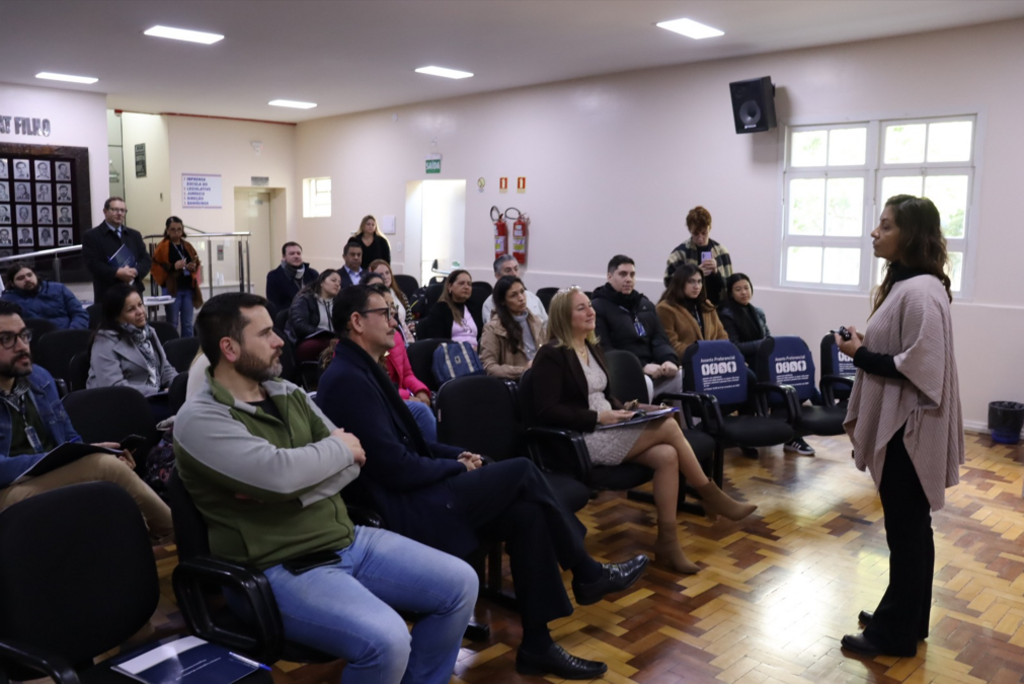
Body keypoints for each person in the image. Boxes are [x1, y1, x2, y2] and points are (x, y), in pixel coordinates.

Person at [316, 284, 649, 680]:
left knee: (527, 513)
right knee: (523, 471)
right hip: (403, 508)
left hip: (419, 490)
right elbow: (395, 468)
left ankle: (537, 645)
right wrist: (458, 468)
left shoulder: (366, 368)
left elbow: (416, 446)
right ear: (356, 322)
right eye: (385, 314)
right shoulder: (348, 378)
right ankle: (587, 571)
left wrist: (456, 455)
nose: (395, 322)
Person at [174, 292, 477, 683]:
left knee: (460, 584)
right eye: (265, 333)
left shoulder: (290, 393)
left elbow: (354, 460)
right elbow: (283, 474)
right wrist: (309, 466)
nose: (280, 340)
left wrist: (290, 485)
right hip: (279, 566)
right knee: (387, 639)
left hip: (344, 538)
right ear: (229, 348)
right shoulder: (199, 419)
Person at [533, 287, 758, 574]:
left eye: (590, 305)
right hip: (582, 438)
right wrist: (598, 418)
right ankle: (709, 493)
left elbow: (601, 394)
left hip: (606, 426)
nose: (591, 311)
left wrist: (630, 407)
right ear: (564, 315)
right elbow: (547, 411)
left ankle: (667, 544)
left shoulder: (591, 346)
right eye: (581, 308)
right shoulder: (552, 354)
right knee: (667, 426)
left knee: (666, 455)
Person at [836, 195, 964, 659]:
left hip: (909, 428)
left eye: (886, 226)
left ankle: (894, 634)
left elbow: (919, 367)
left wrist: (859, 355)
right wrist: (869, 342)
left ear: (910, 235)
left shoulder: (920, 290)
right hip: (908, 423)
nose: (875, 232)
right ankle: (907, 615)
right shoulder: (913, 286)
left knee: (907, 532)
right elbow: (910, 349)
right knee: (911, 530)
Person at [0, 300, 172, 539]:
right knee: (106, 470)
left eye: (23, 335)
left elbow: (69, 438)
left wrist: (89, 452)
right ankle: (178, 534)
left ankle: (150, 559)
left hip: (48, 476)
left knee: (114, 488)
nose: (21, 346)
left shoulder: (39, 379)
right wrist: (73, 462)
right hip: (7, 492)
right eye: (7, 339)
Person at [592, 255, 680, 400]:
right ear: (609, 276)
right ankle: (648, 423)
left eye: (632, 274)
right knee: (645, 383)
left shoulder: (645, 305)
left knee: (680, 376)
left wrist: (669, 359)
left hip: (653, 370)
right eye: (623, 274)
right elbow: (604, 349)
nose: (629, 279)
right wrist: (641, 367)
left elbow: (660, 339)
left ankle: (685, 423)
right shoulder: (598, 307)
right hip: (622, 374)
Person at [87, 285, 178, 421]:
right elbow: (114, 388)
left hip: (155, 398)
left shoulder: (148, 332)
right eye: (131, 309)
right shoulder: (104, 341)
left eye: (140, 305)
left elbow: (165, 369)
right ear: (117, 317)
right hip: (122, 405)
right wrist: (158, 393)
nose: (140, 311)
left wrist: (180, 385)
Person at [81, 197, 152, 302]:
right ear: (105, 211)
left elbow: (146, 259)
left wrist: (135, 271)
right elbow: (92, 263)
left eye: (123, 210)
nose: (119, 213)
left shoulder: (134, 235)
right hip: (107, 292)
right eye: (115, 210)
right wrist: (116, 272)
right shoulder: (92, 236)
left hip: (133, 291)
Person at [663, 206, 733, 306]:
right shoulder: (679, 254)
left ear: (710, 228)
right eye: (695, 234)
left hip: (717, 309)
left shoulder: (722, 252)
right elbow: (669, 284)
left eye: (704, 233)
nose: (700, 238)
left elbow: (730, 288)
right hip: (688, 308)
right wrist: (693, 274)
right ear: (690, 231)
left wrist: (715, 273)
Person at [656, 264, 728, 358]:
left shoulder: (707, 305)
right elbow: (670, 345)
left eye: (699, 281)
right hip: (685, 363)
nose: (696, 286)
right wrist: (703, 353)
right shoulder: (665, 308)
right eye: (691, 281)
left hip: (713, 362)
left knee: (746, 372)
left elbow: (722, 337)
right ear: (680, 283)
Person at [479, 275, 544, 380]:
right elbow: (488, 367)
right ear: (502, 301)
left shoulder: (536, 321)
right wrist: (523, 370)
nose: (521, 298)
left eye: (522, 292)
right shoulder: (492, 328)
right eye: (514, 295)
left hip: (540, 377)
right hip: (517, 383)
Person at [151, 216, 203, 337]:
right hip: (172, 289)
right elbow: (155, 265)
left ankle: (188, 350)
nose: (176, 232)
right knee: (173, 323)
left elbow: (196, 261)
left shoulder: (187, 246)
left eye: (179, 229)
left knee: (188, 323)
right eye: (173, 229)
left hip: (188, 289)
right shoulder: (162, 247)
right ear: (167, 231)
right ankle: (172, 349)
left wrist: (192, 266)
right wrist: (173, 266)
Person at [1, 263, 89, 330]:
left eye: (29, 275)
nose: (27, 279)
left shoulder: (58, 289)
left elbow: (79, 313)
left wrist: (72, 332)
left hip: (68, 335)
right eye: (21, 278)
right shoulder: (8, 301)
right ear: (12, 283)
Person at [286, 269, 342, 362]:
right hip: (307, 340)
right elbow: (300, 326)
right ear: (321, 282)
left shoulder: (338, 303)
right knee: (337, 346)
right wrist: (324, 334)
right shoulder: (305, 299)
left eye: (339, 283)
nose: (337, 284)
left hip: (332, 341)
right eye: (333, 280)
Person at [416, 269, 481, 348]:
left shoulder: (474, 308)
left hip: (476, 356)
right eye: (461, 283)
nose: (466, 287)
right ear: (450, 286)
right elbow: (437, 342)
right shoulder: (440, 309)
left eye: (469, 284)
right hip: (452, 355)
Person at [718, 273, 770, 363]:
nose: (744, 292)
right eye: (738, 289)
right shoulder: (727, 315)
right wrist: (763, 343)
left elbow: (768, 337)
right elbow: (734, 346)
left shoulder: (759, 312)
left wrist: (767, 343)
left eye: (746, 288)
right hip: (739, 360)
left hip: (760, 357)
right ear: (731, 293)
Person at [481, 255, 548, 325]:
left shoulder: (531, 296)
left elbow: (547, 324)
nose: (514, 274)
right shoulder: (490, 303)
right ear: (498, 276)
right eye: (508, 270)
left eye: (516, 269)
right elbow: (493, 331)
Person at [265, 242, 319, 313]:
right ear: (284, 257)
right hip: (286, 317)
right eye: (292, 254)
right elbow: (274, 304)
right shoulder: (274, 276)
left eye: (298, 253)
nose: (296, 256)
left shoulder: (312, 274)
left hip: (311, 316)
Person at [368, 259, 415, 340]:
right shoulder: (373, 298)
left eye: (387, 273)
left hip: (405, 335)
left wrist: (411, 326)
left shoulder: (400, 295)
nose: (385, 277)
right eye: (381, 274)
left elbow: (409, 318)